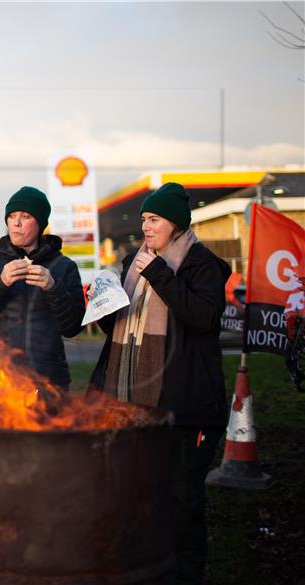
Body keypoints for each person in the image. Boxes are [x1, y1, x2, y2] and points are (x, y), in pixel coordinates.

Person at [87, 182, 229, 585]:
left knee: (183, 500)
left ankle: (185, 575)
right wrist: (99, 305)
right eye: (144, 220)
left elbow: (203, 317)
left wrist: (160, 274)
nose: (145, 227)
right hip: (133, 403)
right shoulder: (135, 260)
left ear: (177, 224)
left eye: (154, 220)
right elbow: (120, 324)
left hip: (184, 406)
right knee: (140, 495)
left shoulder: (202, 263)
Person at [0, 186, 85, 389]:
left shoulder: (63, 266)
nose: (16, 223)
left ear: (41, 223)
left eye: (25, 216)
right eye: (12, 216)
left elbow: (73, 328)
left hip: (48, 383)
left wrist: (54, 288)